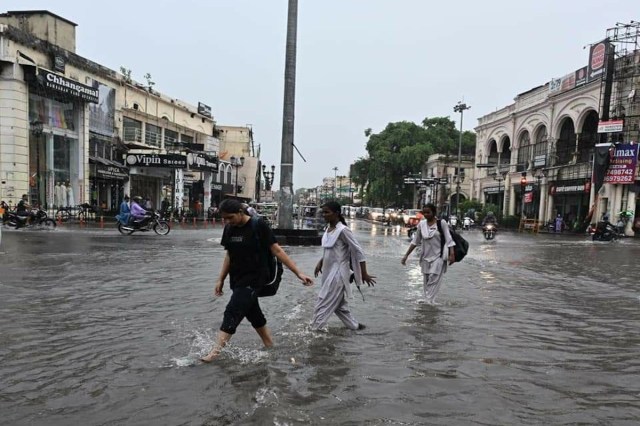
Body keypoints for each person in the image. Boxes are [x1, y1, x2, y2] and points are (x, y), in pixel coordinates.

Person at [201, 199, 314, 363]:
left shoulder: (258, 225)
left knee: (232, 311)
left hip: (256, 277)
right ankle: (270, 345)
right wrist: (221, 279)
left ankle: (214, 353)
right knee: (252, 312)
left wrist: (299, 273)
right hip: (237, 278)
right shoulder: (229, 229)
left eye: (230, 217)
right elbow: (229, 255)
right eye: (225, 218)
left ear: (241, 212)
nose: (228, 221)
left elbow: (276, 250)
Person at [311, 201, 376, 331]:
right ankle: (355, 327)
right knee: (340, 307)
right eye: (323, 212)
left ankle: (314, 331)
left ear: (336, 213)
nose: (324, 215)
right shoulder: (328, 229)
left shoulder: (343, 231)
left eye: (327, 212)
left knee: (322, 304)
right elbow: (331, 250)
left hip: (338, 275)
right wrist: (320, 262)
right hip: (328, 273)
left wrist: (364, 273)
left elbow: (358, 252)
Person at [401, 203, 455, 305]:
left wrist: (452, 254)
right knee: (426, 280)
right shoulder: (422, 225)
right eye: (424, 212)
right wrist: (406, 255)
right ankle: (428, 299)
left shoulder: (441, 223)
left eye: (428, 212)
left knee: (434, 278)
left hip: (438, 257)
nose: (426, 214)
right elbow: (415, 241)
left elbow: (449, 239)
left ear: (434, 213)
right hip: (425, 257)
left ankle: (429, 301)